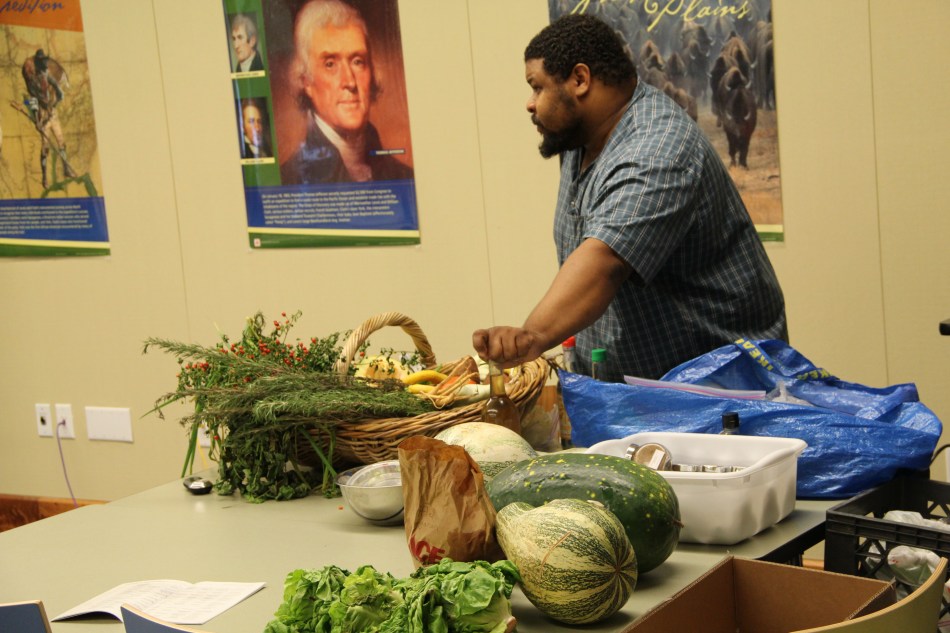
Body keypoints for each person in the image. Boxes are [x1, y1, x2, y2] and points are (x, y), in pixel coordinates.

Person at [472, 14, 787, 382]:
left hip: (722, 391)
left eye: (537, 87)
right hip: (646, 391)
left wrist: (532, 337)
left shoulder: (657, 148)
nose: (530, 103)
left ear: (580, 80)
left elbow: (603, 261)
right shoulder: (582, 138)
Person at [279, 0, 413, 184]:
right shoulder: (287, 182)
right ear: (306, 81)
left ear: (372, 73)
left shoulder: (404, 177)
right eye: (330, 64)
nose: (350, 81)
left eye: (358, 62)